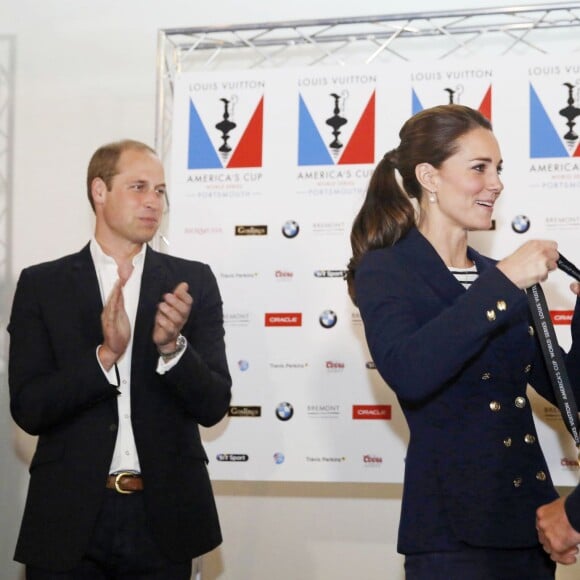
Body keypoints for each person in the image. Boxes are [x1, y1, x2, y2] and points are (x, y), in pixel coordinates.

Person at [346, 104, 580, 579]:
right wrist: (504, 285)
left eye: (498, 169)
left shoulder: (499, 277)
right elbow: (410, 373)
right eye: (479, 168)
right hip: (451, 535)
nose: (495, 183)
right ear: (429, 177)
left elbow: (566, 392)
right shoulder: (386, 269)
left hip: (531, 525)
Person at [8, 139, 232, 578]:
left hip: (164, 519)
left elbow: (214, 405)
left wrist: (173, 348)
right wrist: (105, 356)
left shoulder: (192, 283)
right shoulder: (42, 285)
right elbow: (29, 408)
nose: (153, 202)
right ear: (99, 191)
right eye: (139, 187)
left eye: (161, 191)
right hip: (68, 520)